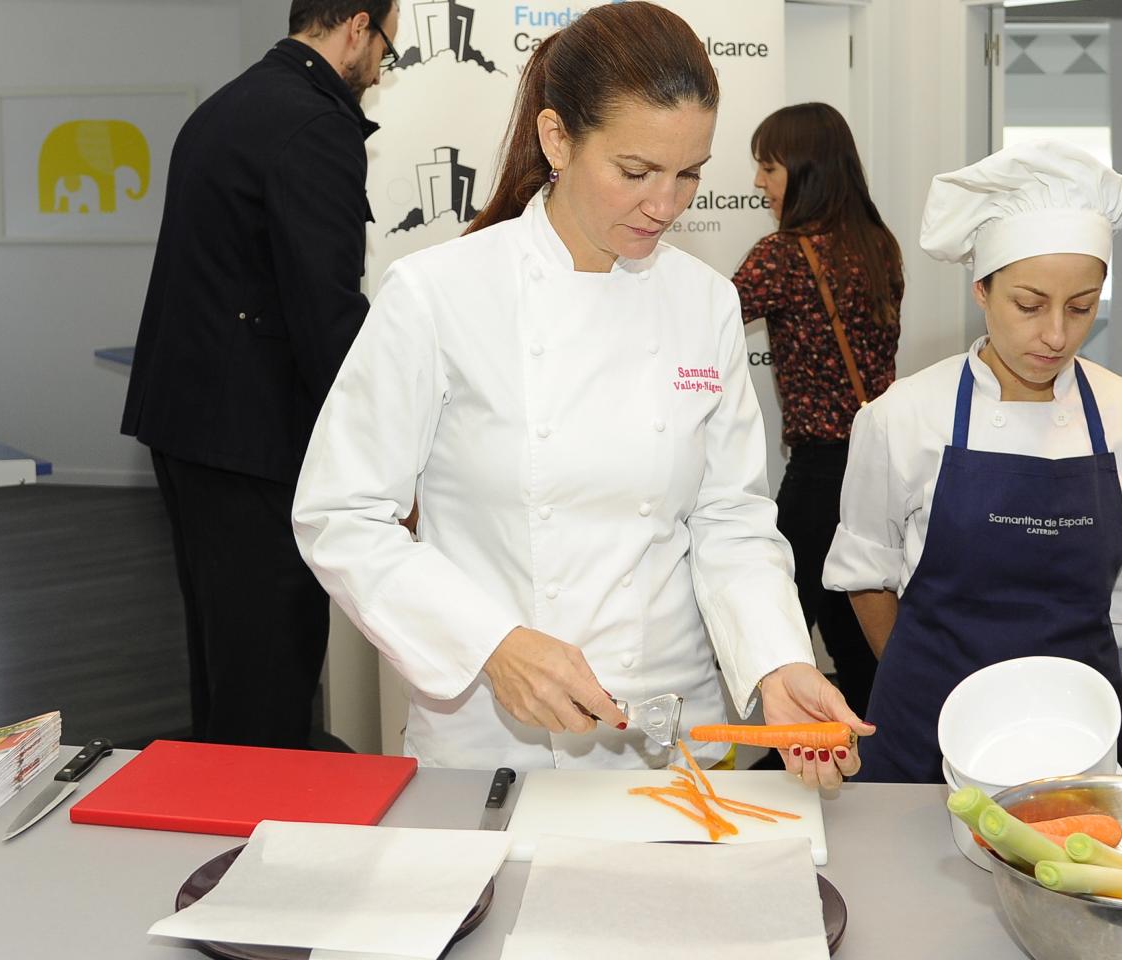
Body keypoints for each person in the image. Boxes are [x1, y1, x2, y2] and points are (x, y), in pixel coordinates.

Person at [292, 2, 871, 787]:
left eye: (689, 174)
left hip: (678, 740)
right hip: (495, 746)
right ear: (557, 138)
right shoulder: (440, 294)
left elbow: (729, 519)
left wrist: (775, 661)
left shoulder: (703, 303)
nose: (664, 206)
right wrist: (493, 642)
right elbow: (343, 515)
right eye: (635, 173)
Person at [822, 141, 1122, 784]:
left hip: (1075, 742)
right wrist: (921, 679)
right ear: (982, 289)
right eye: (1029, 305)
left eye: (1083, 306)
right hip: (929, 732)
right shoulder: (904, 416)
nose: (1057, 335)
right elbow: (866, 573)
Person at [119, 0, 396, 749]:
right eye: (386, 53)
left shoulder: (232, 102)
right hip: (252, 435)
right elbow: (327, 312)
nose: (378, 73)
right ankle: (253, 839)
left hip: (188, 423)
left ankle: (217, 806)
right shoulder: (314, 125)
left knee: (224, 651)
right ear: (358, 28)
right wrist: (392, 448)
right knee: (270, 661)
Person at [731, 103, 902, 720]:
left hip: (823, 469)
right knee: (855, 623)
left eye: (769, 167)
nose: (759, 183)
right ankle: (872, 751)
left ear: (805, 171)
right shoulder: (878, 245)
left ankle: (789, 759)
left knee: (783, 623)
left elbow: (707, 325)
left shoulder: (783, 255)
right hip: (879, 463)